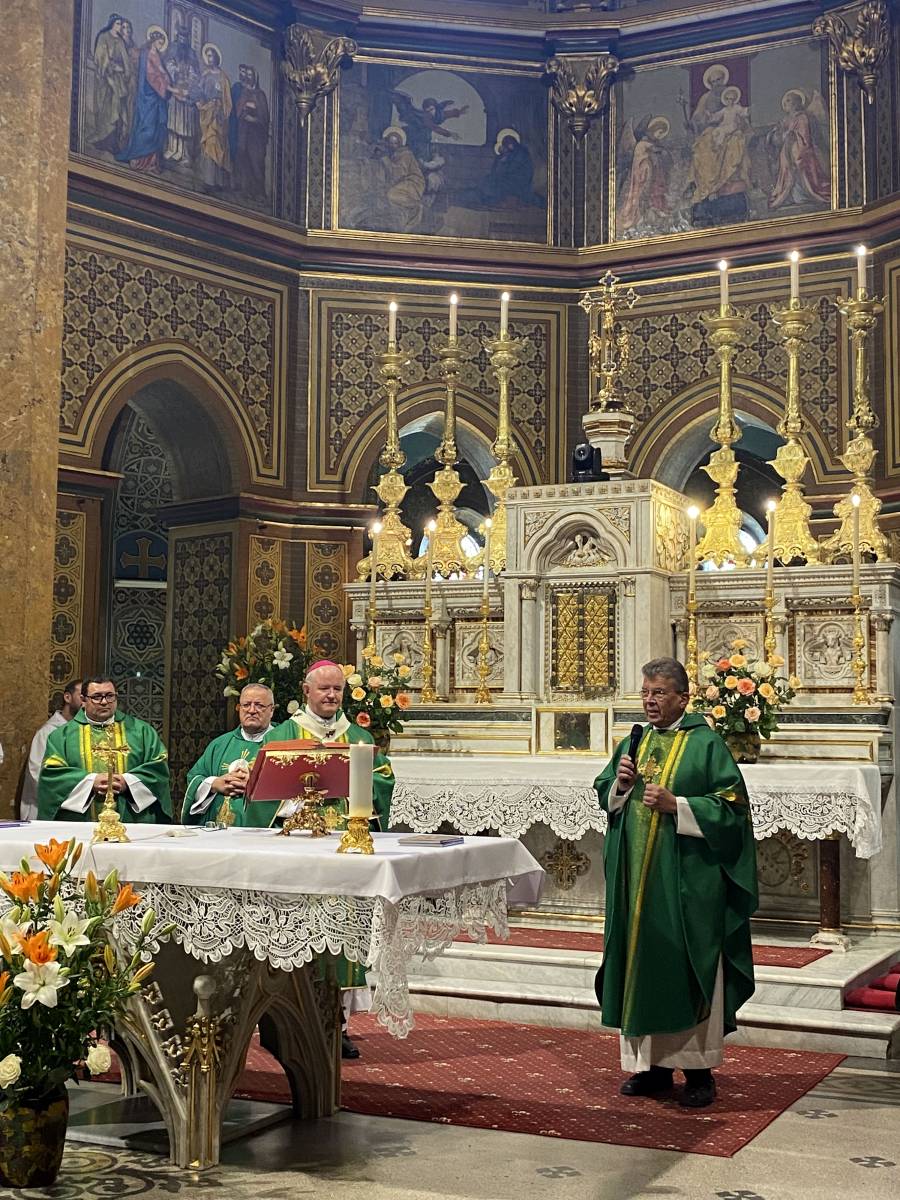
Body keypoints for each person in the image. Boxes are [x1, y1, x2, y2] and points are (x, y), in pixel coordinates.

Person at [594, 657, 757, 1108]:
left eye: (659, 693)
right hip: (639, 888)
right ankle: (654, 1068)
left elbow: (733, 809)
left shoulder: (706, 744)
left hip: (688, 886)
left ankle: (700, 1072)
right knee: (644, 965)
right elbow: (606, 790)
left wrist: (679, 806)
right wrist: (620, 788)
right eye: (645, 692)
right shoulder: (636, 739)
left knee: (688, 965)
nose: (649, 700)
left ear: (683, 698)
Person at [273, 659, 395, 1058]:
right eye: (323, 689)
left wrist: (350, 783)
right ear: (305, 691)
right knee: (298, 926)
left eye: (337, 690)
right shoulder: (283, 733)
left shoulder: (358, 735)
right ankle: (288, 1017)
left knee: (344, 931)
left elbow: (383, 779)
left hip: (345, 846)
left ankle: (335, 1022)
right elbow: (265, 787)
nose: (330, 696)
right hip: (297, 848)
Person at [38, 675, 171, 824]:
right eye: (96, 697)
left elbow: (159, 767)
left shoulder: (142, 732)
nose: (104, 702)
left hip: (131, 822)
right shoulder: (61, 736)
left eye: (109, 696)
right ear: (83, 700)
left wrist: (128, 782)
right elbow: (51, 775)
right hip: (81, 824)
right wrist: (90, 782)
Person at [182, 683, 281, 825]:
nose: (252, 710)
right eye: (246, 705)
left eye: (259, 705)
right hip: (217, 833)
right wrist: (215, 784)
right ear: (239, 708)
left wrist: (257, 785)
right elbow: (194, 778)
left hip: (262, 835)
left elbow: (294, 789)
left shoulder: (283, 742)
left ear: (271, 710)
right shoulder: (220, 744)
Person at [19, 680, 83, 821]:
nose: (86, 702)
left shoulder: (82, 732)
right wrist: (74, 796)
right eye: (82, 696)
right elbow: (37, 774)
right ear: (67, 697)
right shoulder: (47, 733)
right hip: (45, 811)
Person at [115, 27, 172, 172]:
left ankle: (152, 163)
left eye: (162, 43)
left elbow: (163, 74)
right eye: (159, 42)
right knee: (146, 128)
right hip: (148, 97)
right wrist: (169, 88)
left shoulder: (157, 56)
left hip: (157, 99)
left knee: (154, 130)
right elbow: (152, 76)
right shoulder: (146, 55)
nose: (160, 46)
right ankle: (139, 160)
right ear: (153, 41)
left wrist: (167, 82)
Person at [91, 13, 133, 153]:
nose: (120, 26)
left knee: (119, 109)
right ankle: (103, 139)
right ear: (112, 24)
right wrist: (109, 66)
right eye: (118, 24)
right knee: (107, 108)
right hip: (106, 80)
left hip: (119, 81)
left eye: (121, 24)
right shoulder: (104, 37)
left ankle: (114, 142)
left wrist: (125, 71)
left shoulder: (120, 41)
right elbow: (99, 57)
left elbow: (126, 61)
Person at [196, 44, 233, 190]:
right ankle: (208, 180)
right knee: (208, 144)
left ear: (216, 58)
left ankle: (217, 181)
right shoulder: (205, 75)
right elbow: (198, 91)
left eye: (211, 56)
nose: (209, 59)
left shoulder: (223, 78)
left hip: (218, 116)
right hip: (207, 112)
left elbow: (227, 100)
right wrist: (200, 103)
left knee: (216, 145)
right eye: (208, 56)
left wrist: (223, 114)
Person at [231, 65, 269, 200]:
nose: (247, 77)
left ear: (255, 77)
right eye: (246, 75)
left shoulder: (260, 95)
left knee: (256, 162)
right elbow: (237, 111)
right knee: (244, 160)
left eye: (250, 75)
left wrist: (253, 118)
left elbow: (264, 117)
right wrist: (243, 112)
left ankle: (259, 192)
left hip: (256, 136)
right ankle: (246, 189)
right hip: (244, 133)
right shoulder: (244, 93)